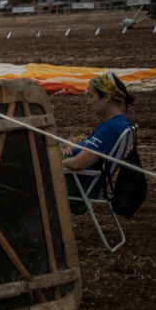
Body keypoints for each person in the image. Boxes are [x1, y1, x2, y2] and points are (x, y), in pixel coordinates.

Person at [61, 72, 135, 211]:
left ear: (106, 97)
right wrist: (74, 147)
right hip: (78, 181)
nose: (88, 101)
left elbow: (78, 164)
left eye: (91, 96)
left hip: (77, 188)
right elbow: (87, 152)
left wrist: (51, 163)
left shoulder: (110, 128)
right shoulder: (119, 123)